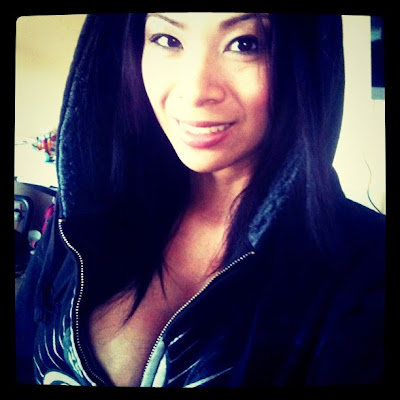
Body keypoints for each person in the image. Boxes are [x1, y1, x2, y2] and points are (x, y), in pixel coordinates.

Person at [15, 13, 385, 387]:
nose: (195, 91)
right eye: (167, 40)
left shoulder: (368, 270)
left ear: (305, 60)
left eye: (246, 44)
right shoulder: (79, 217)